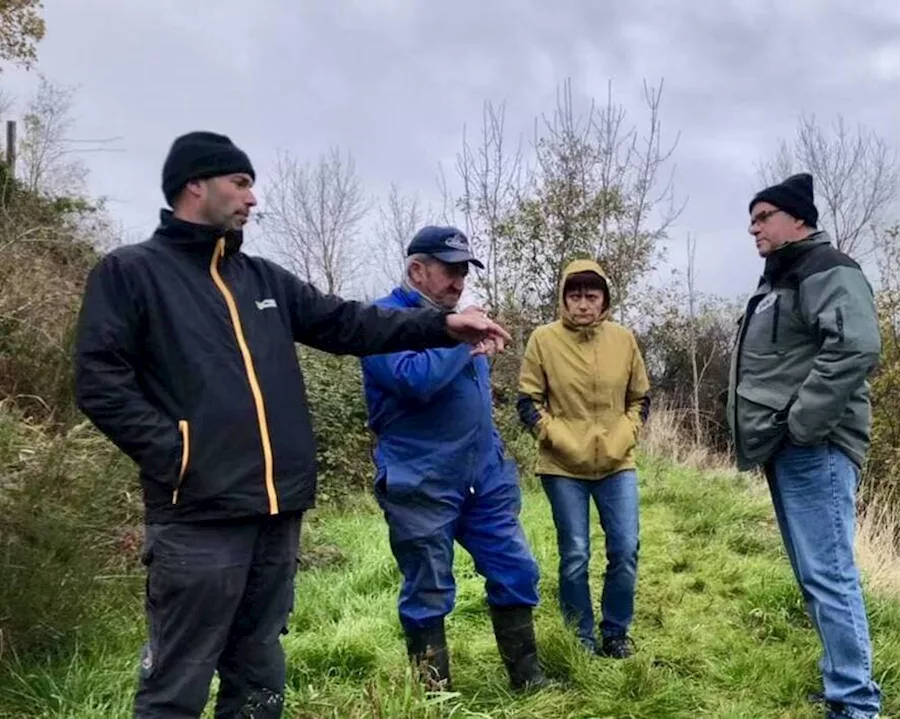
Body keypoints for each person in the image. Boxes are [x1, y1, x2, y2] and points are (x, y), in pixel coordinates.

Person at [72, 131, 511, 719]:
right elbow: (99, 381)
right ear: (193, 184)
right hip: (197, 516)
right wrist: (177, 453)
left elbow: (349, 323)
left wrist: (442, 327)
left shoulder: (264, 280)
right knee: (177, 682)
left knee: (258, 674)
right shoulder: (131, 274)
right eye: (241, 182)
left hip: (277, 514)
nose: (253, 199)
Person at [360, 225, 548, 694]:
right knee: (428, 589)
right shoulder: (382, 319)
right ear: (417, 270)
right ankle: (436, 698)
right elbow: (414, 381)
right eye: (450, 270)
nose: (459, 282)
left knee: (516, 569)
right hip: (419, 479)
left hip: (484, 476)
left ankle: (528, 681)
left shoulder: (459, 320)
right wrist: (463, 343)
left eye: (464, 271)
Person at [726, 172, 883, 719]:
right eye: (752, 218)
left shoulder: (826, 268)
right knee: (814, 573)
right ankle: (843, 685)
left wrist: (803, 424)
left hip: (814, 446)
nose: (753, 227)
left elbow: (857, 345)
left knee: (830, 574)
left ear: (798, 219)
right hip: (787, 446)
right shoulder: (780, 279)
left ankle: (857, 704)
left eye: (763, 215)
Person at [515, 259, 651, 658]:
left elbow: (640, 398)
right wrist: (557, 438)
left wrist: (626, 434)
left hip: (616, 462)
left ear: (605, 299)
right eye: (574, 295)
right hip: (562, 467)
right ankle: (581, 638)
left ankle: (616, 632)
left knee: (625, 549)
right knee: (575, 554)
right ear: (563, 297)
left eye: (592, 295)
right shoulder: (543, 340)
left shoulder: (623, 340)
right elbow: (528, 401)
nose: (583, 304)